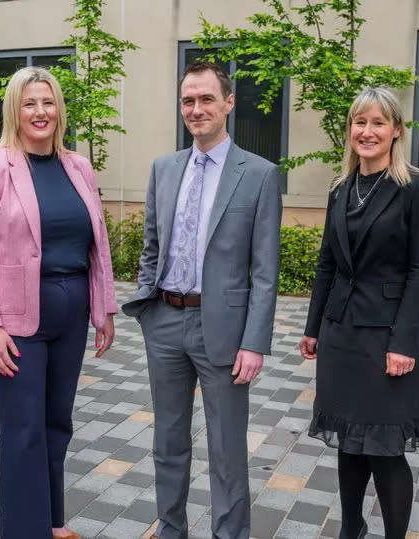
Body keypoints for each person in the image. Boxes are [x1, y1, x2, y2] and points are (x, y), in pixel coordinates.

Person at [122, 61, 282, 539]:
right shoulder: (164, 168)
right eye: (188, 100)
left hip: (227, 333)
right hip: (166, 322)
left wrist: (255, 342)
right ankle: (171, 530)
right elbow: (153, 246)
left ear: (229, 103)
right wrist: (147, 307)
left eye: (207, 99)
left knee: (226, 449)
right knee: (167, 443)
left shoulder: (258, 174)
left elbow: (264, 270)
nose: (197, 109)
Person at [0, 66, 117, 539]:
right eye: (29, 103)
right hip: (17, 318)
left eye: (47, 102)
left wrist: (103, 306)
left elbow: (98, 242)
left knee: (56, 423)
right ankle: (24, 531)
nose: (40, 112)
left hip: (71, 313)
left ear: (59, 109)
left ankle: (52, 521)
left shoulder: (79, 167)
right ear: (14, 110)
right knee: (22, 430)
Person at [299, 87, 419, 539]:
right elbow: (327, 263)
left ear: (396, 131)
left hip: (386, 338)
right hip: (341, 334)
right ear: (350, 130)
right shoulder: (341, 188)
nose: (367, 131)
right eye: (360, 122)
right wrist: (313, 327)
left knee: (383, 449)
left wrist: (403, 343)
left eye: (378, 123)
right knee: (348, 441)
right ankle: (350, 527)